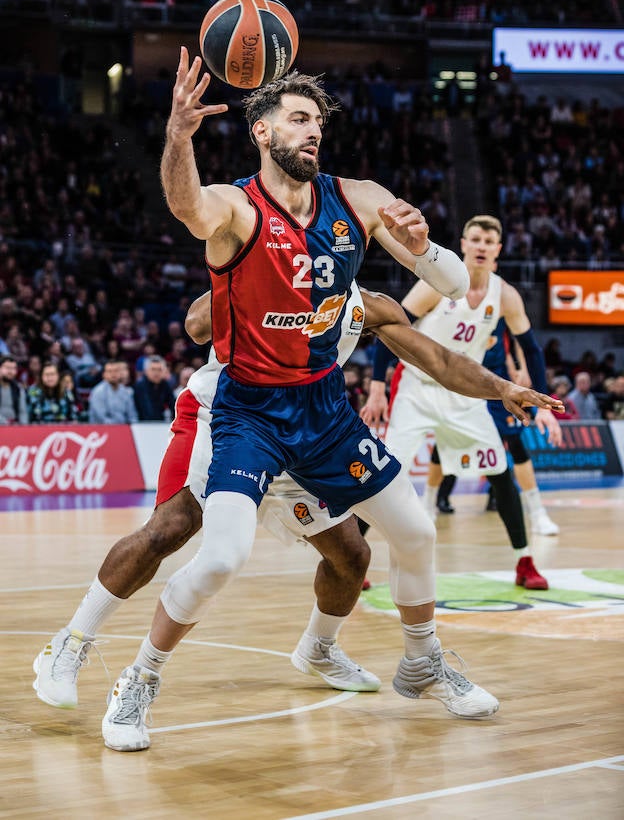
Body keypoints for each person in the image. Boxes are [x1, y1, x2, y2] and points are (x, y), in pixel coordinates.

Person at [36, 53, 560, 752]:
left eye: (320, 121)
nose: (314, 131)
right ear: (261, 130)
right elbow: (191, 221)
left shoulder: (360, 243)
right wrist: (179, 140)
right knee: (183, 535)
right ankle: (83, 647)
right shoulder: (239, 210)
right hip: (236, 405)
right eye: (299, 118)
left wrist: (426, 252)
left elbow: (442, 315)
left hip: (319, 418)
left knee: (355, 556)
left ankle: (345, 653)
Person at [33, 282, 560, 745]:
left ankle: (319, 649)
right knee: (171, 530)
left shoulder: (366, 305)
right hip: (224, 415)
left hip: (307, 432)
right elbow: (195, 324)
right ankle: (71, 643)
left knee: (352, 556)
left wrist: (500, 386)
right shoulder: (260, 267)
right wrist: (237, 274)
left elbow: (438, 360)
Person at [362, 214, 562, 592]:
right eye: (476, 240)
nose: (483, 246)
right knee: (383, 473)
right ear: (464, 245)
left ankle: (524, 560)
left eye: (490, 241)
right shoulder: (437, 285)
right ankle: (355, 558)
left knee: (500, 471)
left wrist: (541, 403)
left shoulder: (505, 295)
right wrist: (376, 387)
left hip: (465, 393)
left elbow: (532, 350)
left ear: (498, 249)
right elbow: (390, 325)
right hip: (417, 387)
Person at [442, 317, 562, 534]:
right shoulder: (454, 302)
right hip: (463, 377)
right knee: (448, 441)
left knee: (514, 443)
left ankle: (536, 513)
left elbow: (518, 341)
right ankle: (434, 499)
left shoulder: (501, 299)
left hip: (497, 381)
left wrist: (521, 368)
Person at [88, 359, 139, 424]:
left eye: (116, 371)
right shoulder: (97, 392)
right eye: (110, 371)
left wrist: (133, 426)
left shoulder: (126, 392)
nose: (113, 374)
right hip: (103, 430)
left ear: (120, 373)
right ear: (104, 375)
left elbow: (132, 415)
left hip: (124, 429)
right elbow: (102, 419)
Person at [133, 355, 176, 421]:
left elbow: (174, 405)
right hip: (143, 424)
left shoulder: (165, 385)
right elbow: (148, 413)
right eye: (153, 369)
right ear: (146, 371)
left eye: (159, 370)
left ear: (164, 371)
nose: (156, 373)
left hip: (160, 423)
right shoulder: (140, 386)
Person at [0, 354, 28, 424]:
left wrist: (23, 427)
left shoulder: (18, 388)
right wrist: (6, 424)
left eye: (14, 368)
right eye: (7, 368)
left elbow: (23, 411)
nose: (11, 371)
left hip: (14, 427)